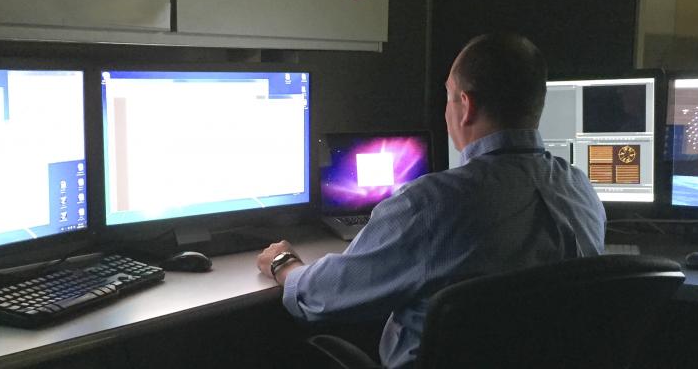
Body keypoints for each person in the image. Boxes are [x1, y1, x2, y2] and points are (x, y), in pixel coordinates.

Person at [256, 33, 606, 368]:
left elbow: (325, 297)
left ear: (465, 106)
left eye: (449, 96)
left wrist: (284, 263)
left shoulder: (431, 205)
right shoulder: (580, 189)